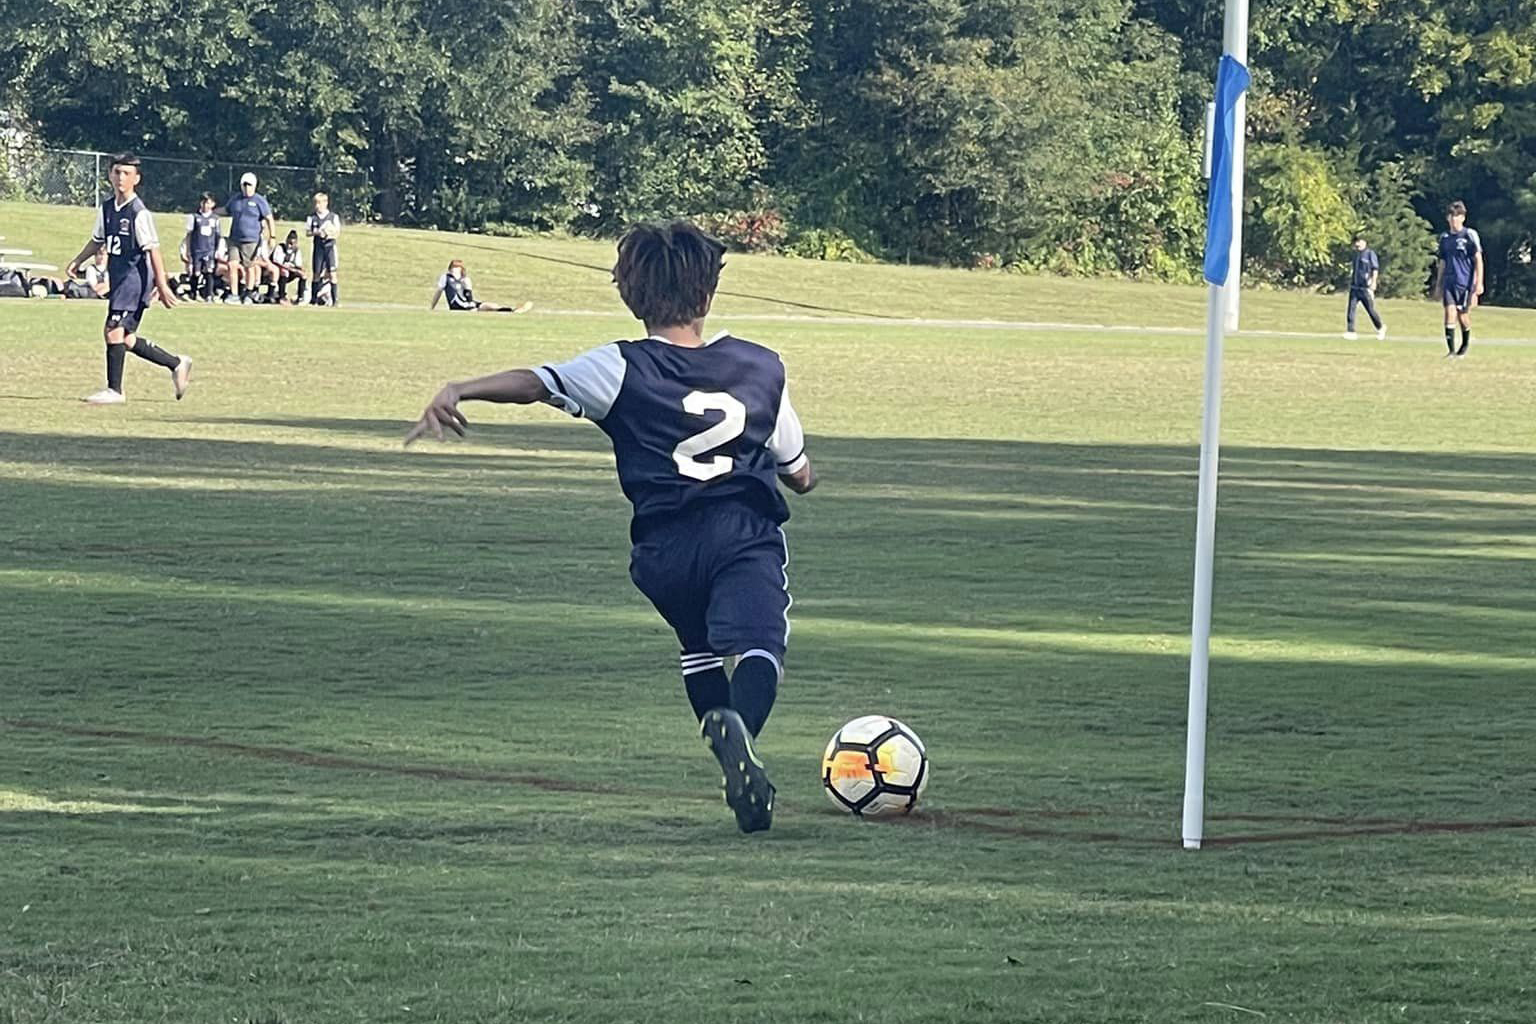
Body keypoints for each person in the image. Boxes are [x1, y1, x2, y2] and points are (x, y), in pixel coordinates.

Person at [404, 221, 817, 834]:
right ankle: (742, 737)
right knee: (761, 645)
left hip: (661, 550)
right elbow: (799, 473)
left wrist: (461, 387)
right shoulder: (760, 366)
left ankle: (730, 757)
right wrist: (800, 474)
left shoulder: (620, 366)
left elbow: (534, 384)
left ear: (630, 294)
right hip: (740, 534)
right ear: (708, 293)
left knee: (699, 647)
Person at [63, 153, 192, 405]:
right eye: (117, 172)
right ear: (110, 174)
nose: (120, 177)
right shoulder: (108, 208)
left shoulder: (138, 212)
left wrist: (162, 285)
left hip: (135, 281)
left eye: (126, 173)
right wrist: (78, 260)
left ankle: (115, 390)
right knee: (125, 338)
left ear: (136, 178)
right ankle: (176, 363)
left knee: (112, 330)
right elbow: (98, 240)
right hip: (120, 280)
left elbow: (153, 249)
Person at [1433, 200, 1483, 358]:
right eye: (1451, 216)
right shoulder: (1445, 238)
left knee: (1463, 316)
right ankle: (1451, 351)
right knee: (1449, 313)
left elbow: (1478, 259)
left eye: (1457, 216)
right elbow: (1443, 261)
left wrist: (1478, 283)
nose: (1453, 220)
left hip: (1465, 282)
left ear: (1463, 218)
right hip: (1449, 281)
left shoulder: (1469, 235)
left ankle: (1465, 344)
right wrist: (1438, 283)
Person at [222, 171, 275, 304]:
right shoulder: (235, 199)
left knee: (249, 266)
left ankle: (248, 292)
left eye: (249, 185)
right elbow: (226, 210)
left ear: (254, 186)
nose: (246, 188)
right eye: (244, 185)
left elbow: (269, 218)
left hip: (251, 240)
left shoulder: (259, 201)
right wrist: (211, 211)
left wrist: (272, 236)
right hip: (234, 238)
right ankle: (234, 294)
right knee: (232, 265)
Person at [429, 259, 533, 313]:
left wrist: (468, 288)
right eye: (453, 267)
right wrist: (432, 307)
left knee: (489, 305)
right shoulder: (446, 277)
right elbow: (438, 292)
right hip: (460, 306)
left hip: (468, 304)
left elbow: (469, 298)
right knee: (484, 307)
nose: (454, 270)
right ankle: (512, 311)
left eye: (457, 267)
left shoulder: (465, 280)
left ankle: (512, 310)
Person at [1344, 235, 1386, 341]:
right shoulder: (1356, 255)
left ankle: (1380, 327)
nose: (1356, 244)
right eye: (1355, 242)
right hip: (1355, 287)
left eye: (1358, 242)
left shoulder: (1370, 254)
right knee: (1351, 309)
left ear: (1364, 242)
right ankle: (1351, 331)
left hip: (1365, 288)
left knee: (1370, 310)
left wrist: (1373, 282)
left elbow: (1375, 269)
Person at [183, 192, 222, 302]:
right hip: (197, 250)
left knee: (209, 271)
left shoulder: (215, 219)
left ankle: (209, 294)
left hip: (209, 250)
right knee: (196, 272)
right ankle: (193, 292)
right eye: (204, 202)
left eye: (208, 203)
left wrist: (218, 249)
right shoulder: (194, 217)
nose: (206, 205)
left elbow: (218, 236)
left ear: (213, 204)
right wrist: (187, 250)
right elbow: (189, 235)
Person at [305, 192, 341, 306]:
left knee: (332, 273)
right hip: (318, 248)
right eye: (315, 203)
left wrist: (328, 233)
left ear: (325, 203)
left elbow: (337, 232)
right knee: (316, 273)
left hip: (329, 248)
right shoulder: (312, 218)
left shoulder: (333, 217)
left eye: (319, 203)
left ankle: (335, 300)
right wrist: (317, 232)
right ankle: (313, 299)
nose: (317, 205)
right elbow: (308, 232)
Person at [271, 229, 308, 304]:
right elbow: (277, 262)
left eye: (292, 243)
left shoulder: (296, 251)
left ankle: (300, 297)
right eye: (288, 242)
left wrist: (302, 270)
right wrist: (292, 269)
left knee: (303, 275)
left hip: (290, 271)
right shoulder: (280, 248)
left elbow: (298, 264)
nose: (289, 245)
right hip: (279, 271)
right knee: (284, 272)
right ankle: (281, 296)